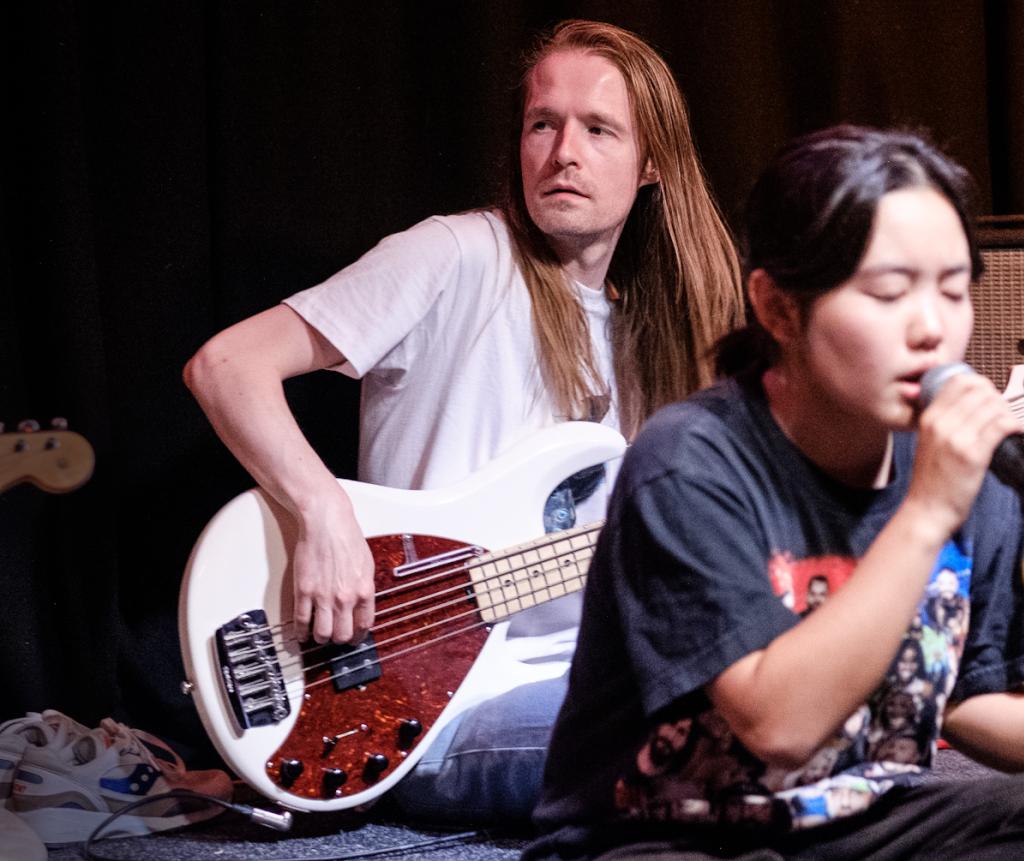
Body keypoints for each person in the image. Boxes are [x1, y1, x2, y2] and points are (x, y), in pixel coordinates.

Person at [526, 126, 1024, 859]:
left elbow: (973, 696)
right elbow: (776, 727)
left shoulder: (959, 461)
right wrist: (927, 511)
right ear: (779, 308)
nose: (932, 328)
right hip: (664, 834)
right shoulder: (690, 459)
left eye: (952, 290)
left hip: (856, 818)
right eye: (888, 292)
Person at [184, 19, 740, 820]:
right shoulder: (456, 255)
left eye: (598, 129)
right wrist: (322, 511)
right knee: (724, 736)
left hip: (573, 673)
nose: (563, 152)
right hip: (424, 703)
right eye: (542, 124)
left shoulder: (654, 338)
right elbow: (227, 365)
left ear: (653, 164)